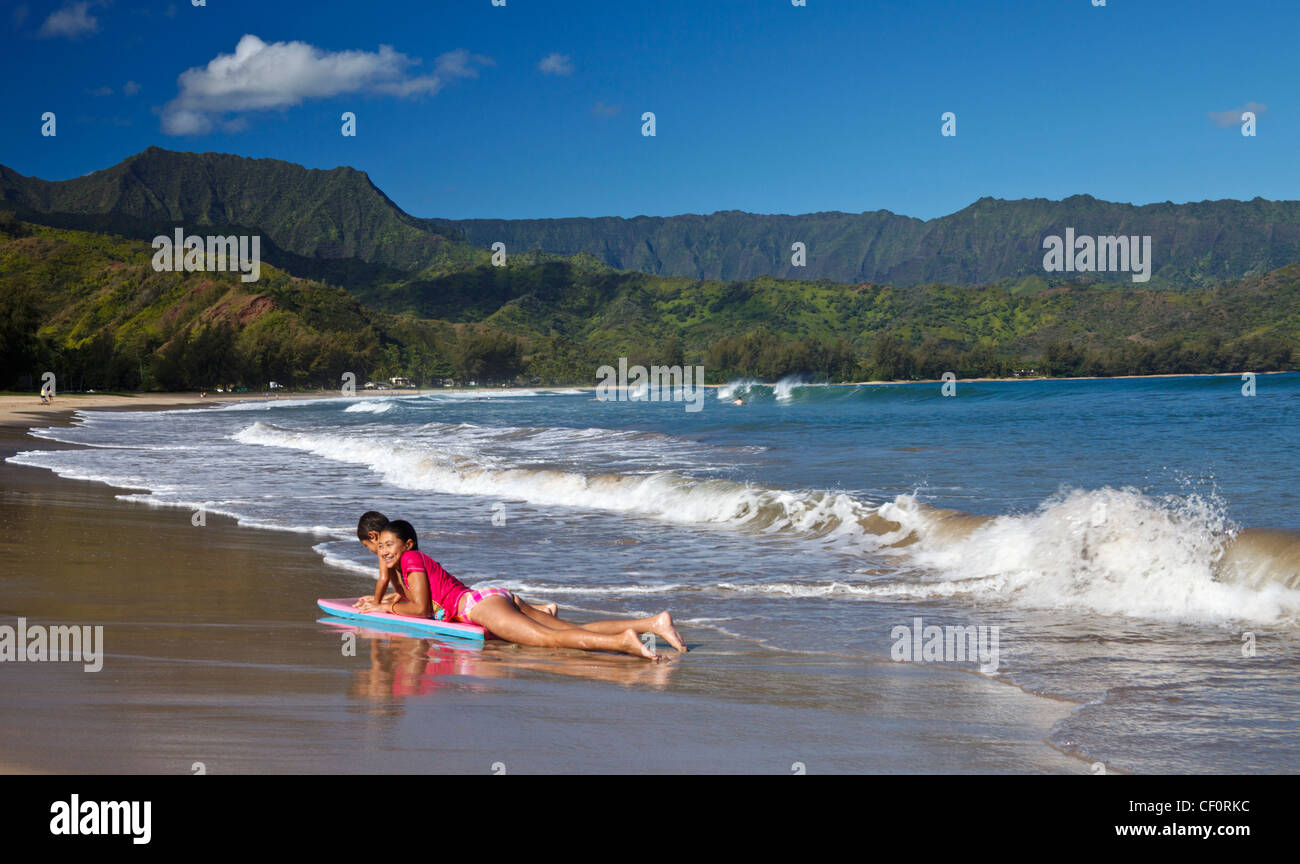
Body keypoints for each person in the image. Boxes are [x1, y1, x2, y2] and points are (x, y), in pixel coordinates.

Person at [354, 519, 685, 660]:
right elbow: (420, 598)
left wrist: (386, 608)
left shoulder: (411, 557)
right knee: (572, 631)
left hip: (476, 607)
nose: (383, 551)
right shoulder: (410, 563)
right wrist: (388, 599)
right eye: (380, 546)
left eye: (388, 544)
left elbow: (423, 610)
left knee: (549, 640)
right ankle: (653, 623)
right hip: (489, 597)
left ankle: (623, 643)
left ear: (407, 543)